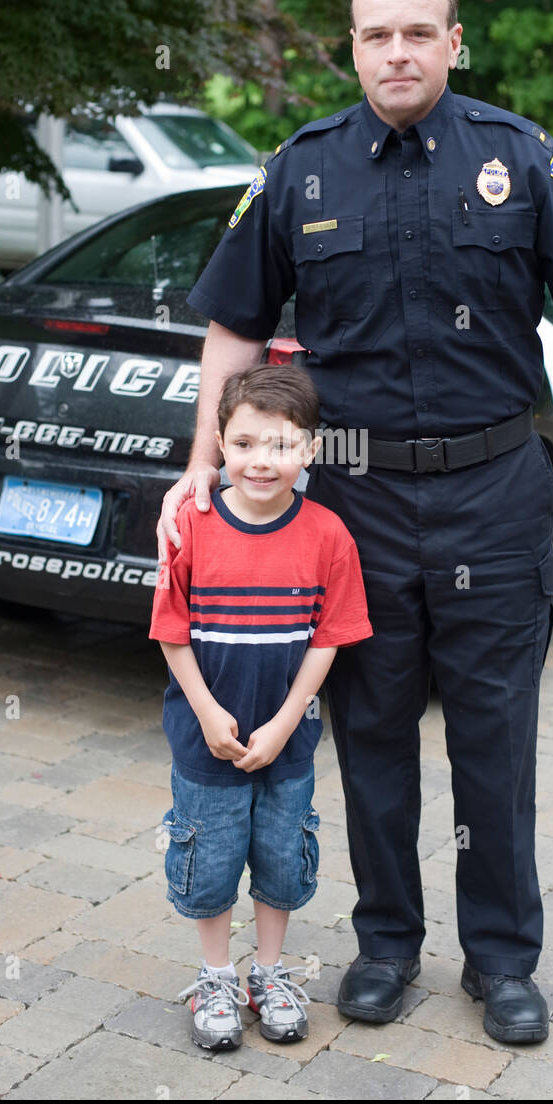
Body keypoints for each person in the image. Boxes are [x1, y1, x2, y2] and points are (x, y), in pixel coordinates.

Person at [157, 0, 553, 1045]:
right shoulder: (301, 169)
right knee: (369, 729)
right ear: (354, 44)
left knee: (494, 734)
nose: (398, 51)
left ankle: (503, 960)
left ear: (454, 41)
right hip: (358, 509)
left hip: (496, 493)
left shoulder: (516, 158)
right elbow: (233, 322)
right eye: (377, 33)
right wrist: (201, 461)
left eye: (419, 31)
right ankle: (384, 945)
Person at [150, 363, 372, 1052]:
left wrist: (283, 722)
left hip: (289, 741)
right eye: (243, 444)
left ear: (309, 449)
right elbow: (170, 632)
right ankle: (216, 975)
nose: (260, 461)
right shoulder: (191, 524)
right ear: (218, 441)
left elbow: (330, 638)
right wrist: (208, 713)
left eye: (280, 445)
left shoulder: (328, 535)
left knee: (280, 857)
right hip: (203, 738)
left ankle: (269, 974)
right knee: (210, 859)